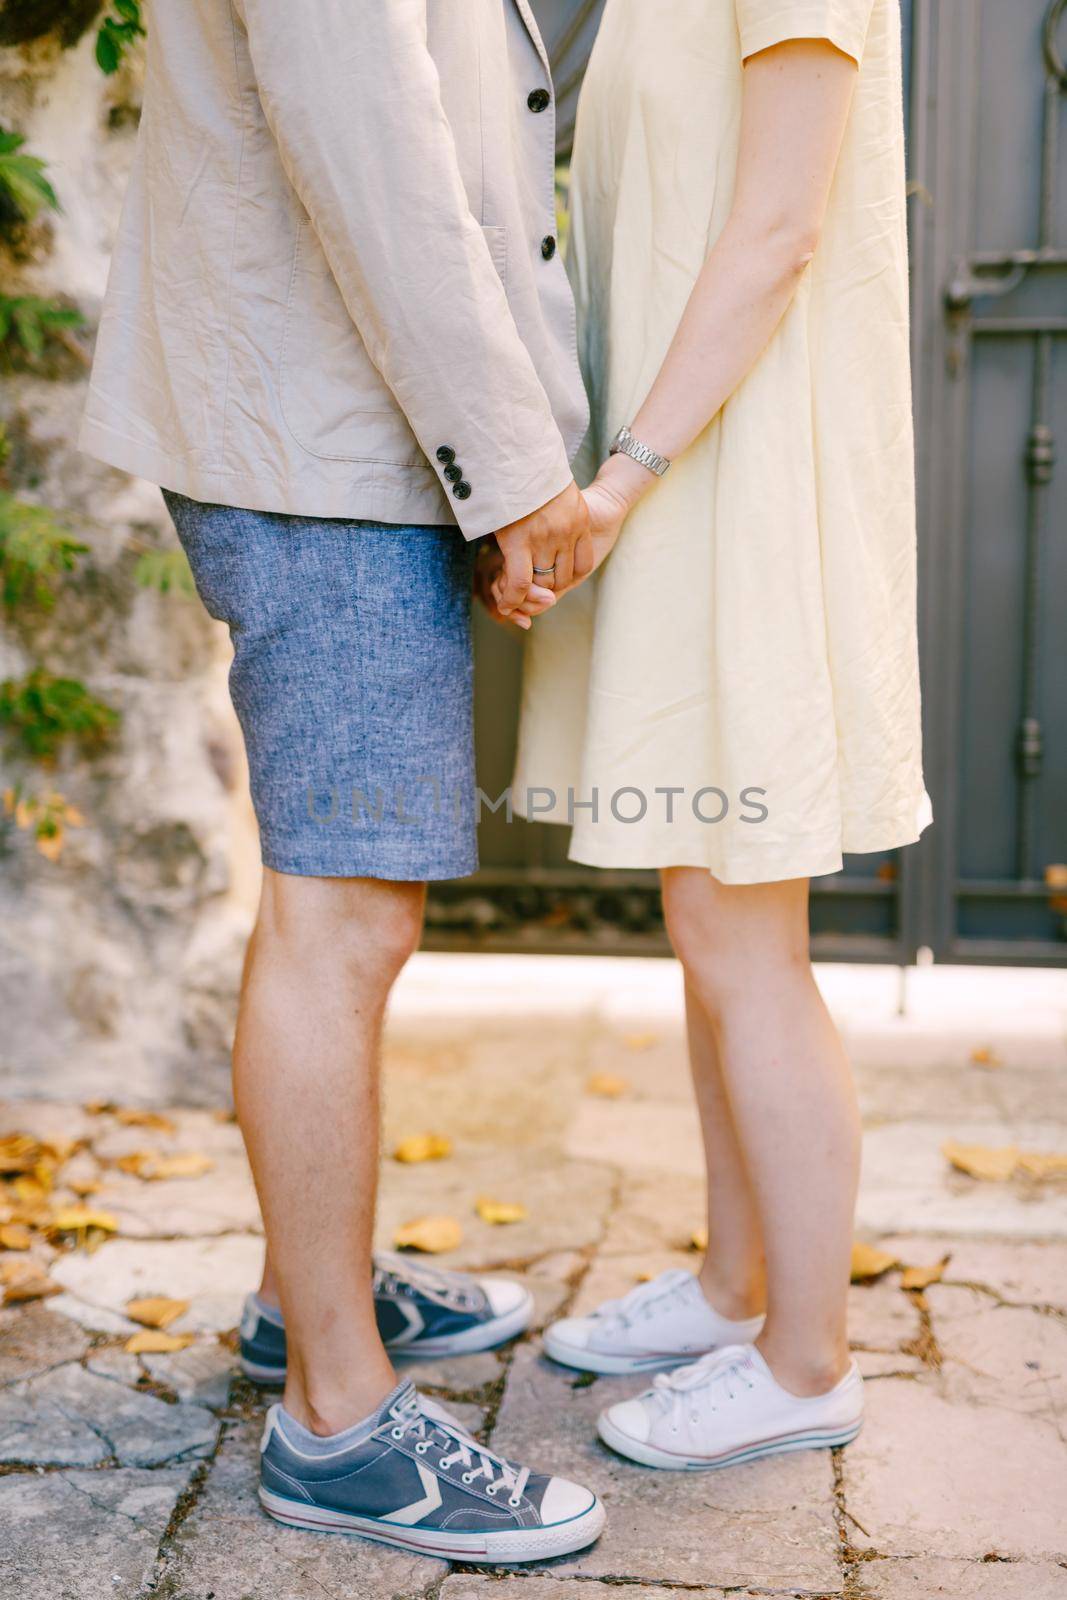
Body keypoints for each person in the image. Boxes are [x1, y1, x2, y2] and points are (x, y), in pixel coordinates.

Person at [79, 0, 605, 1564]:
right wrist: (517, 470)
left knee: (345, 899)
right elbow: (371, 149)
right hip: (319, 436)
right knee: (345, 912)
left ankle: (299, 1295)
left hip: (327, 417)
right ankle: (337, 1422)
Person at [501, 0, 931, 1470]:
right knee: (708, 908)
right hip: (690, 468)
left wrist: (620, 479)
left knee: (747, 930)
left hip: (745, 481)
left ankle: (808, 1360)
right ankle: (737, 1287)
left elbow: (776, 233)